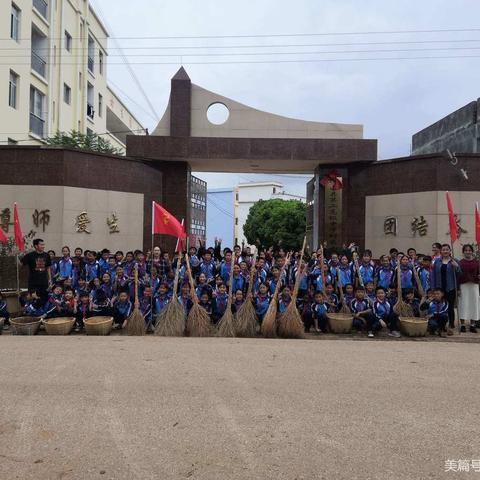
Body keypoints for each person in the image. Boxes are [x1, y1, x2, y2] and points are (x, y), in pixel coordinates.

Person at [432, 244, 461, 335]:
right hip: (439, 287)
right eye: (443, 250)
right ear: (441, 251)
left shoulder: (454, 261)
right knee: (440, 305)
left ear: (450, 251)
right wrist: (433, 288)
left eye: (447, 249)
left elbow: (460, 274)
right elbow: (433, 275)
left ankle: (451, 324)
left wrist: (456, 267)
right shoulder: (437, 261)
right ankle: (441, 325)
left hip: (450, 287)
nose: (445, 251)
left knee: (450, 307)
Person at [458, 244, 479, 333]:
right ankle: (462, 324)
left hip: (474, 286)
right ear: (463, 252)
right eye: (466, 250)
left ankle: (472, 325)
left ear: (472, 251)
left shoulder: (477, 262)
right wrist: (458, 288)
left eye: (469, 250)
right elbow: (458, 276)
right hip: (463, 286)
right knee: (463, 304)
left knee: (474, 304)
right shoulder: (460, 263)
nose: (468, 252)